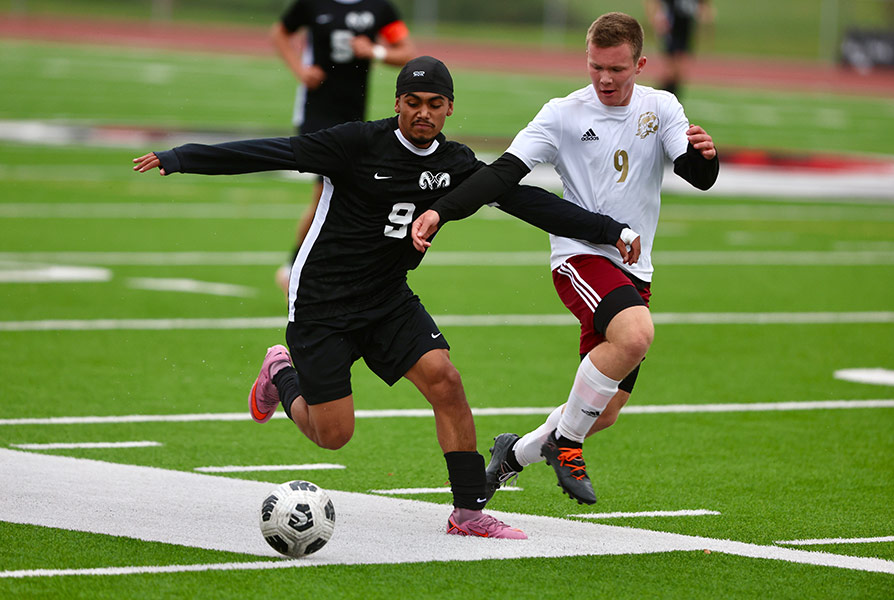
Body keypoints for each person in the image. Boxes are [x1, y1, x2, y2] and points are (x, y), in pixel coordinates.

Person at [133, 56, 638, 537]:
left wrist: (608, 229)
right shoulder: (356, 143)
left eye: (434, 104)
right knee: (333, 436)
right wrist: (182, 158)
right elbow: (274, 151)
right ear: (397, 103)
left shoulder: (454, 162)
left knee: (447, 381)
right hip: (322, 303)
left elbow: (526, 201)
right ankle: (280, 372)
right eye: (413, 101)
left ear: (449, 109)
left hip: (387, 298)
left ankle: (468, 512)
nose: (423, 112)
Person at [410, 13, 719, 505]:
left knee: (606, 409)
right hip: (580, 257)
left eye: (618, 69)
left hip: (634, 268)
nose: (605, 79)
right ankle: (567, 444)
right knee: (636, 334)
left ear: (640, 64)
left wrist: (708, 157)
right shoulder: (562, 113)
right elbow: (501, 175)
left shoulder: (661, 107)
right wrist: (441, 212)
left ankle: (513, 456)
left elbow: (698, 175)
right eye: (596, 66)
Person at [270, 0, 416, 295]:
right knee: (325, 191)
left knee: (337, 195)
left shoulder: (378, 8)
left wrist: (374, 51)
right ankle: (298, 270)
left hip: (353, 117)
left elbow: (407, 52)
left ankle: (300, 268)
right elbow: (279, 33)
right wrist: (300, 69)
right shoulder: (314, 4)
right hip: (317, 113)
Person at [644, 0, 713, 97]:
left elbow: (703, 6)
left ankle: (670, 101)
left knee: (680, 72)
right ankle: (656, 98)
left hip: (686, 32)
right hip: (672, 31)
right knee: (672, 71)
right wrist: (656, 18)